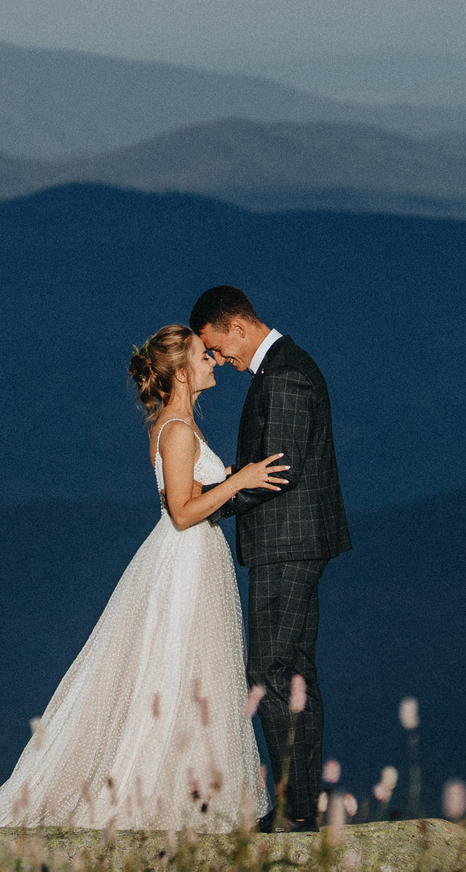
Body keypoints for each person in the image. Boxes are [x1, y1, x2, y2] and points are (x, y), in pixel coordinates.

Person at [0, 324, 280, 834]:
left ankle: (189, 791)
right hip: (187, 558)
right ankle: (169, 796)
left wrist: (228, 480)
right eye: (203, 356)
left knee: (186, 674)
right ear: (182, 373)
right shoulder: (178, 430)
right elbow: (183, 512)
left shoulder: (176, 424)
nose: (212, 360)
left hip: (190, 559)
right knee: (179, 670)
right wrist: (239, 480)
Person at [188, 284, 350, 830]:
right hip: (298, 542)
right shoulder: (287, 365)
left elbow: (276, 472)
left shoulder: (281, 376)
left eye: (217, 347)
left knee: (270, 670)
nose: (219, 360)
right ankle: (301, 806)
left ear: (236, 325)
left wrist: (211, 503)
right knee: (294, 672)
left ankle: (297, 812)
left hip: (287, 543)